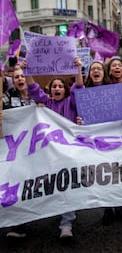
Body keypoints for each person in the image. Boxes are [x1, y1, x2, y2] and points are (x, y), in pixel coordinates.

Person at [21, 57, 84, 239]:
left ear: (65, 90)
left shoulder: (71, 103)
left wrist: (78, 69)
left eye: (60, 86)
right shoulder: (45, 103)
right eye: (54, 86)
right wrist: (27, 71)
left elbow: (79, 88)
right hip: (47, 154)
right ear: (49, 89)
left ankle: (66, 224)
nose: (57, 88)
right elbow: (32, 88)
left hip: (68, 153)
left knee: (68, 186)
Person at [78, 60, 122, 225]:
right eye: (93, 69)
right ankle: (107, 208)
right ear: (90, 74)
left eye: (99, 68)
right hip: (94, 139)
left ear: (104, 73)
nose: (96, 71)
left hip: (112, 137)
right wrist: (79, 120)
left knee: (114, 170)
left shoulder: (113, 91)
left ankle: (119, 204)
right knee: (100, 173)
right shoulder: (84, 93)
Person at [2, 65, 35, 238]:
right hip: (16, 149)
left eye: (23, 76)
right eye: (16, 77)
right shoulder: (7, 97)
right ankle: (19, 224)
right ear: (12, 81)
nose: (20, 79)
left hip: (37, 147)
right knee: (17, 184)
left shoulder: (38, 95)